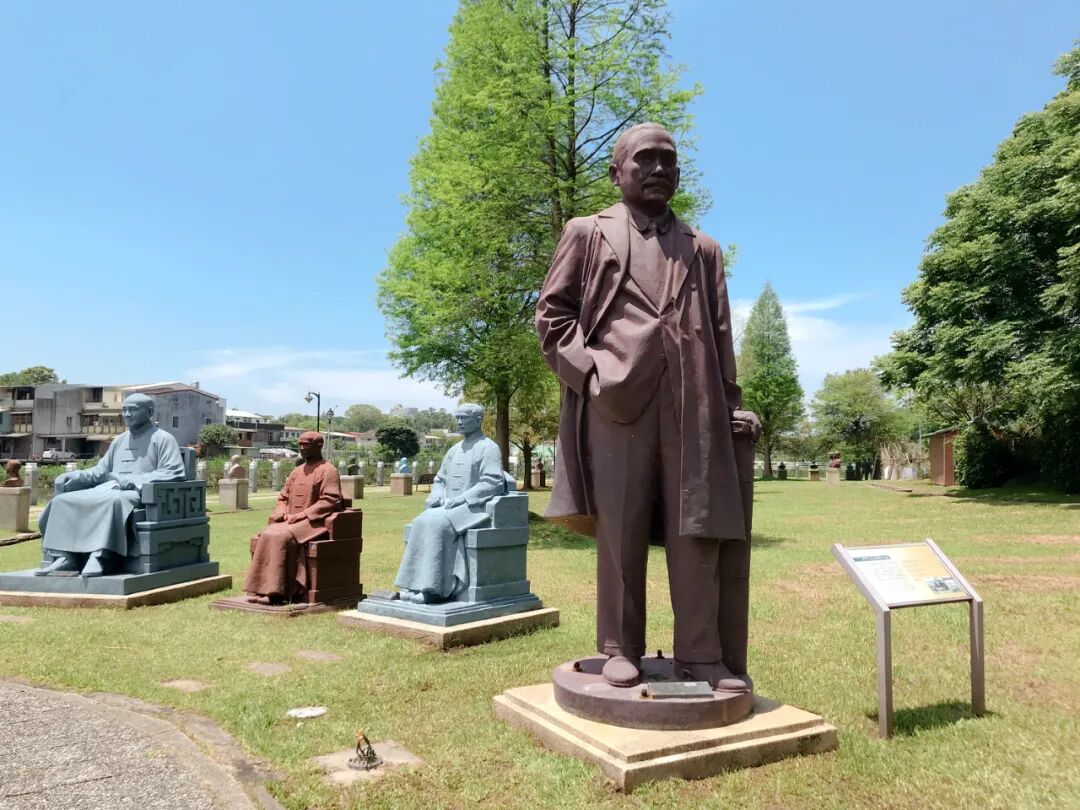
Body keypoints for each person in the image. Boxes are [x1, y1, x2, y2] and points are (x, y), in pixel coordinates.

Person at [535, 122, 761, 690]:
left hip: (695, 405)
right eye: (646, 158)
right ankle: (619, 645)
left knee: (698, 528)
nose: (660, 168)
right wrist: (591, 375)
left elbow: (721, 334)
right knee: (621, 527)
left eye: (669, 159)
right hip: (617, 404)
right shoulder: (587, 233)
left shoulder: (703, 248)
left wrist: (729, 403)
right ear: (617, 173)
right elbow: (552, 316)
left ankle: (701, 654)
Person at [36, 393, 185, 578]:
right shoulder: (119, 440)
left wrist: (136, 480)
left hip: (138, 493)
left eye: (133, 410)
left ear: (149, 412)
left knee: (114, 501)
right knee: (62, 501)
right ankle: (66, 557)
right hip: (109, 488)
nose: (127, 414)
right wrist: (76, 474)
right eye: (124, 410)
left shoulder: (163, 439)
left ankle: (101, 557)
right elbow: (101, 471)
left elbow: (173, 471)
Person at [394, 403, 504, 604]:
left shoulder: (488, 448)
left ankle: (433, 590)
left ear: (478, 420)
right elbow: (440, 479)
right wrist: (437, 493)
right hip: (448, 506)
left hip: (475, 507)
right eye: (457, 418)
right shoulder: (454, 449)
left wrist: (464, 498)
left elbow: (492, 482)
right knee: (421, 521)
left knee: (438, 525)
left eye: (464, 418)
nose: (459, 422)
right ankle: (412, 585)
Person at [243, 431, 343, 604]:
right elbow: (283, 497)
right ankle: (260, 588)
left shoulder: (328, 470)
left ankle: (277, 592)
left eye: (306, 445)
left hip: (314, 522)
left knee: (281, 537)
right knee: (266, 534)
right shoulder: (297, 471)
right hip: (290, 520)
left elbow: (330, 499)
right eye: (300, 445)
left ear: (319, 446)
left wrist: (304, 514)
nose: (302, 448)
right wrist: (281, 511)